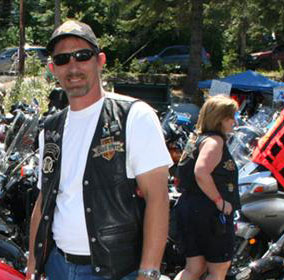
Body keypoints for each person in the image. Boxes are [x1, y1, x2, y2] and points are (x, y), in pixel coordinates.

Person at [26, 20, 172, 280]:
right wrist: (33, 267)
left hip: (115, 271)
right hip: (57, 266)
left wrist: (149, 273)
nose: (73, 66)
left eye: (82, 55)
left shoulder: (134, 116)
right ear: (52, 69)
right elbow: (43, 202)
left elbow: (158, 199)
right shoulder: (50, 128)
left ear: (100, 60)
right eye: (62, 59)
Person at [174, 95, 240, 280]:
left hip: (189, 206)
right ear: (220, 118)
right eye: (230, 117)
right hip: (208, 212)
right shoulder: (214, 142)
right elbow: (201, 172)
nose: (234, 122)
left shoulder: (197, 139)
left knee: (194, 268)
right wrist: (220, 202)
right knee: (218, 269)